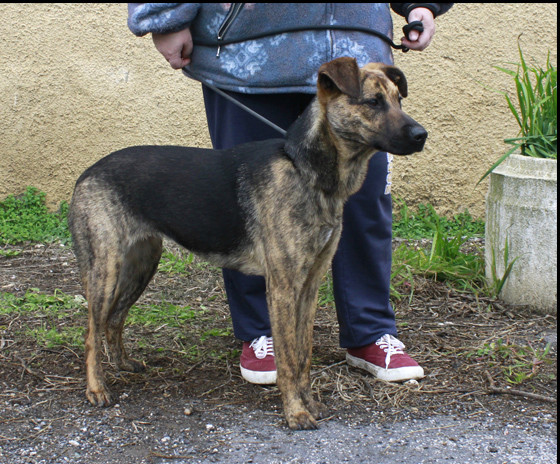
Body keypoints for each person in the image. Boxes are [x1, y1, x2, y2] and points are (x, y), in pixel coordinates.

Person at [127, 3, 453, 385]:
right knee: (249, 202)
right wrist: (164, 16)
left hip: (357, 36)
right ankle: (260, 333)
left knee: (363, 204)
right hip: (248, 50)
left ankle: (369, 331)